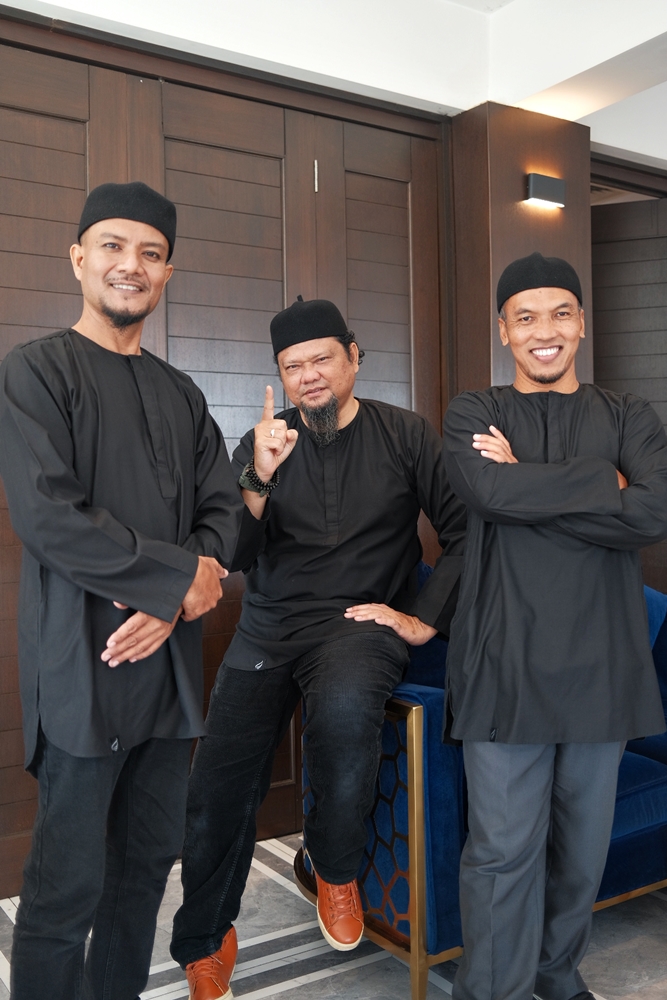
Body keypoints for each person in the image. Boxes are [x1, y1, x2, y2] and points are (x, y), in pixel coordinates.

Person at [0, 181, 262, 1000]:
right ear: (78, 258)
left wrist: (178, 593)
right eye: (112, 246)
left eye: (150, 253)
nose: (131, 265)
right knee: (65, 888)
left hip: (170, 675)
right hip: (82, 666)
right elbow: (50, 518)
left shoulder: (181, 393)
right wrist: (177, 582)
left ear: (166, 273)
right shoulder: (33, 372)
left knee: (144, 869)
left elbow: (222, 514)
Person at [169, 296, 467, 1000]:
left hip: (358, 624)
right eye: (292, 366)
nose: (308, 376)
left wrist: (423, 619)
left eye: (321, 360)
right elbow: (234, 553)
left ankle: (333, 868)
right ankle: (206, 940)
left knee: (341, 714)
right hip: (269, 625)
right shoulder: (261, 446)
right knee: (217, 781)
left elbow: (464, 530)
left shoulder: (405, 434)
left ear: (353, 358)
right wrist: (259, 476)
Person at [442, 252, 667, 1000]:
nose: (545, 331)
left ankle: (555, 975)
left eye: (560, 314)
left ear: (581, 324)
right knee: (501, 852)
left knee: (580, 853)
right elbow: (488, 494)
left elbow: (653, 512)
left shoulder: (629, 414)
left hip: (603, 665)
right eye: (527, 317)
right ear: (503, 330)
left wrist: (524, 486)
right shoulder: (473, 412)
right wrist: (604, 482)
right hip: (505, 664)